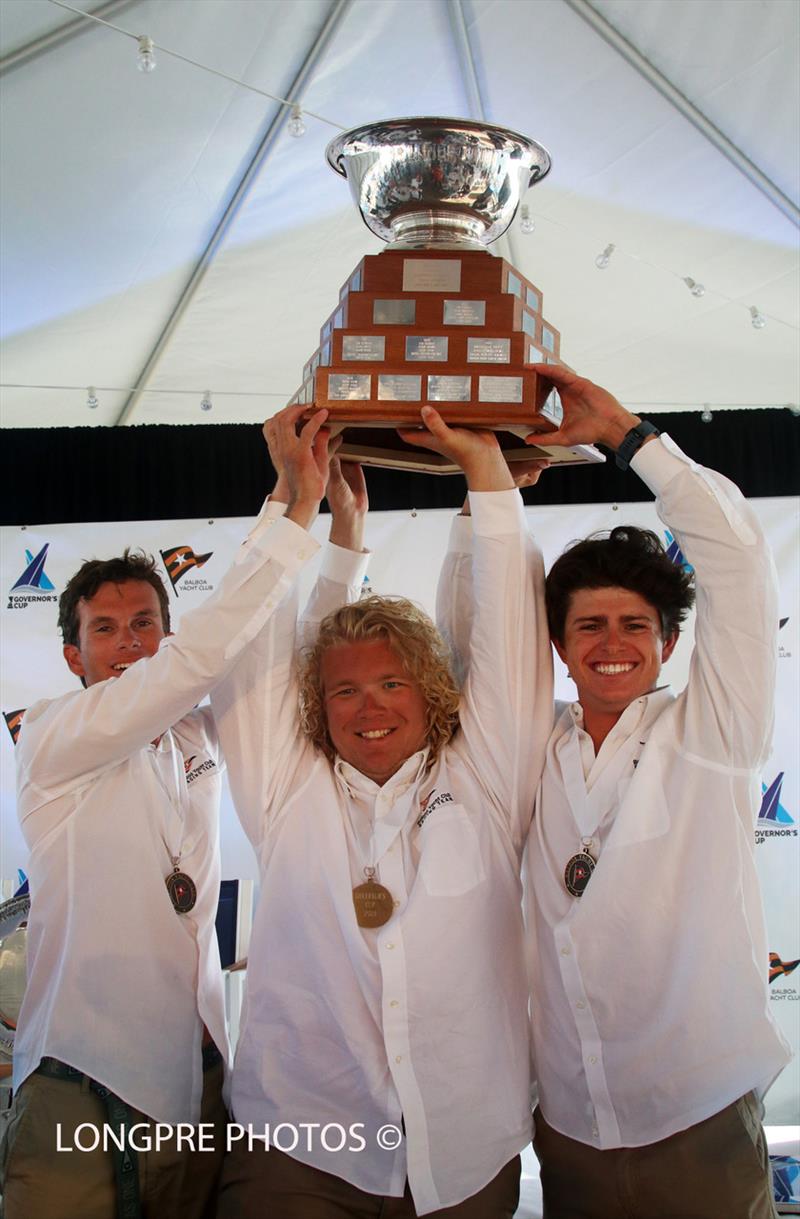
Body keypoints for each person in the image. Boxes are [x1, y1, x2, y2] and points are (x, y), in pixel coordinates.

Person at [0, 409, 365, 1219]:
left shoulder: (196, 730)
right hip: (82, 1079)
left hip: (197, 1075)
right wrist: (290, 505)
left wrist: (338, 530)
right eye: (106, 631)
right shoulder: (55, 734)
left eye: (145, 626)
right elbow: (204, 651)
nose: (129, 644)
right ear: (74, 655)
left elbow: (281, 650)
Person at [454, 365, 790, 1219]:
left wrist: (627, 437)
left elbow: (740, 569)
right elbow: (477, 642)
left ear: (669, 641)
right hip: (568, 1122)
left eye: (634, 624)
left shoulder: (711, 731)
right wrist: (483, 492)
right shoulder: (535, 745)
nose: (612, 644)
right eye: (588, 626)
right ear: (560, 648)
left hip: (697, 1120)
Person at [210, 408, 554, 1217]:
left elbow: (507, 639)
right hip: (301, 1146)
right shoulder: (287, 789)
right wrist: (298, 504)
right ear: (316, 704)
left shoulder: (486, 775)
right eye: (345, 689)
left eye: (392, 683)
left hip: (464, 1149)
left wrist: (488, 479)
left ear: (430, 689)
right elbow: (253, 652)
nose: (370, 707)